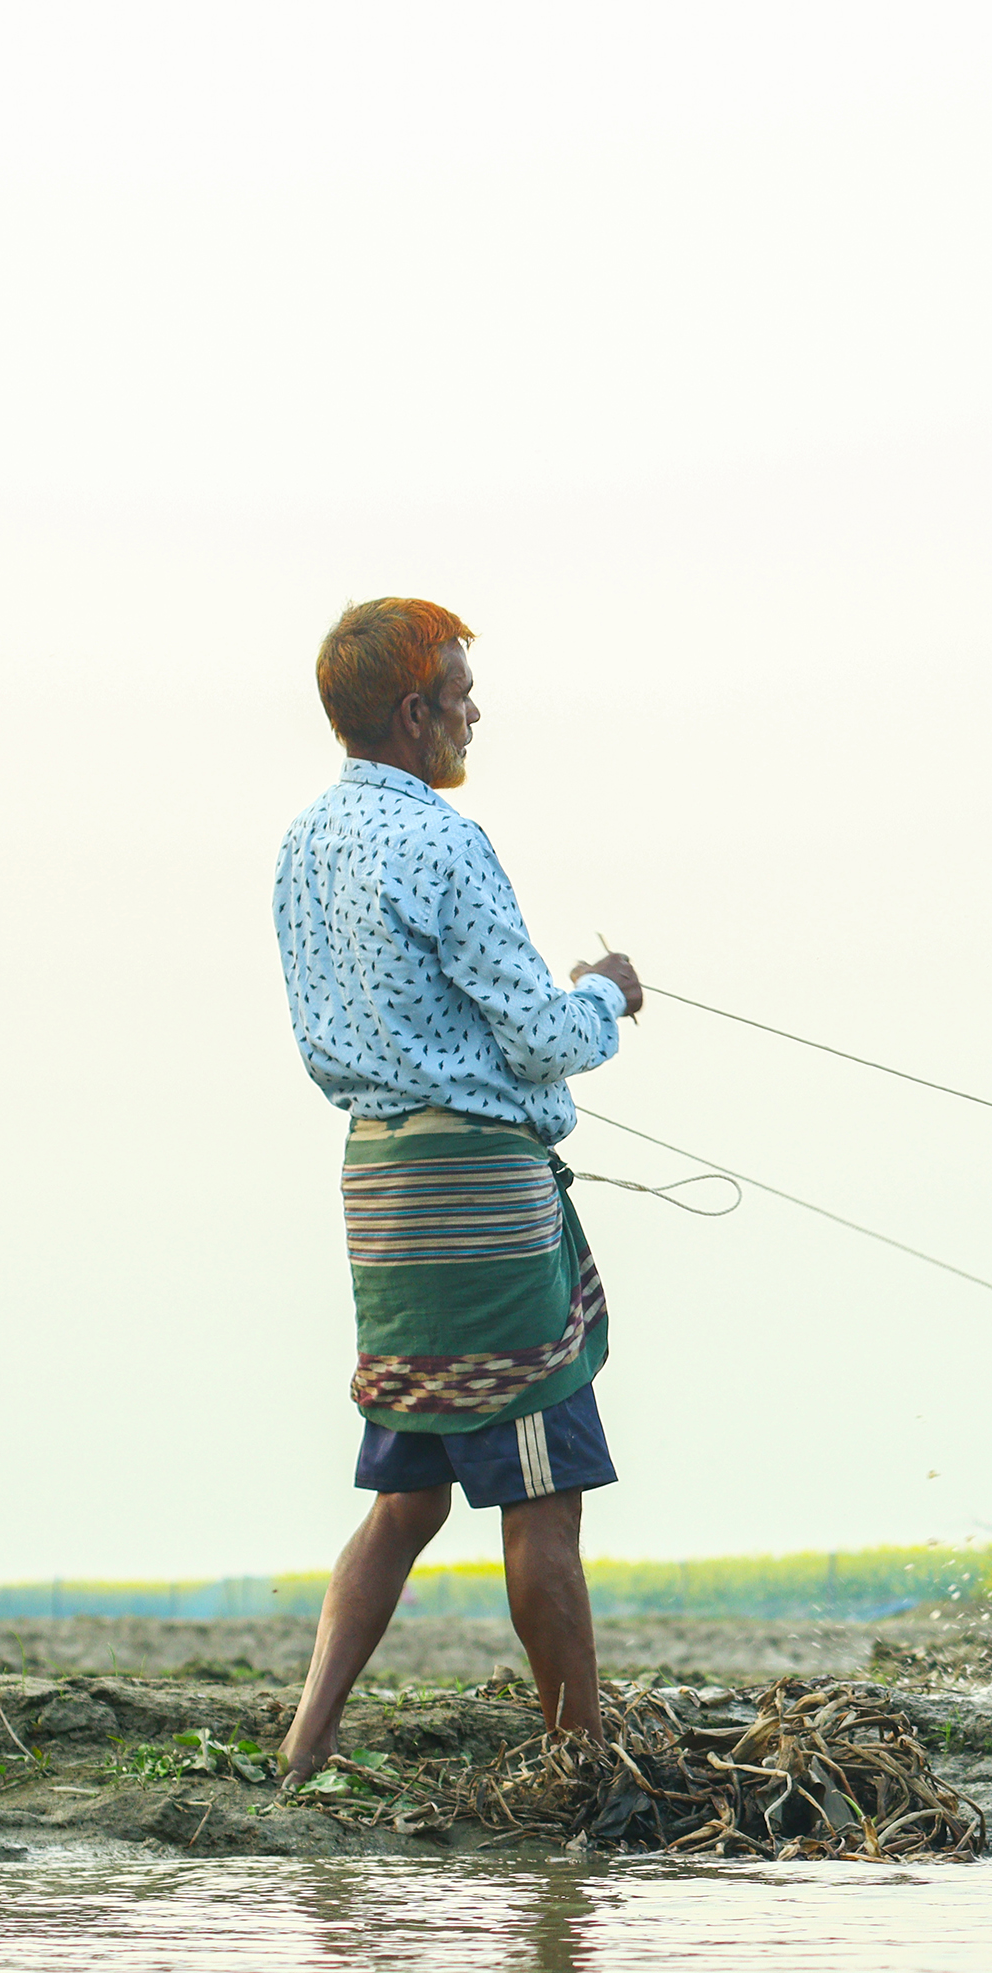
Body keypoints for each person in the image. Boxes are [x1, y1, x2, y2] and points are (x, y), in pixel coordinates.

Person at [270, 598, 644, 1783]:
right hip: (480, 1195)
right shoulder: (443, 840)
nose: (475, 709)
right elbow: (538, 1034)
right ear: (412, 712)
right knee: (543, 1494)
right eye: (462, 691)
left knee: (408, 1494)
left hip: (379, 1190)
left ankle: (307, 1739)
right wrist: (607, 995)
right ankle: (576, 1760)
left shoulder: (301, 844)